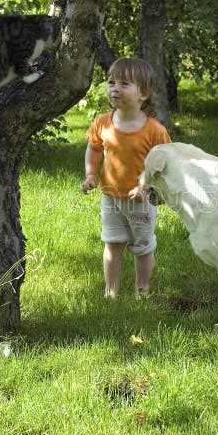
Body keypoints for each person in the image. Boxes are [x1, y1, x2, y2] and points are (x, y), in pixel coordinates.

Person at [80, 58, 172, 299]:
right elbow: (94, 148)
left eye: (123, 83)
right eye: (111, 82)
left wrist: (147, 187)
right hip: (110, 197)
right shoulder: (103, 122)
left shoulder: (154, 130)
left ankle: (142, 291)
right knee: (112, 243)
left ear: (143, 93)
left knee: (142, 248)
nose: (114, 88)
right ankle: (111, 292)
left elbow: (165, 165)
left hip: (141, 200)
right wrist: (91, 174)